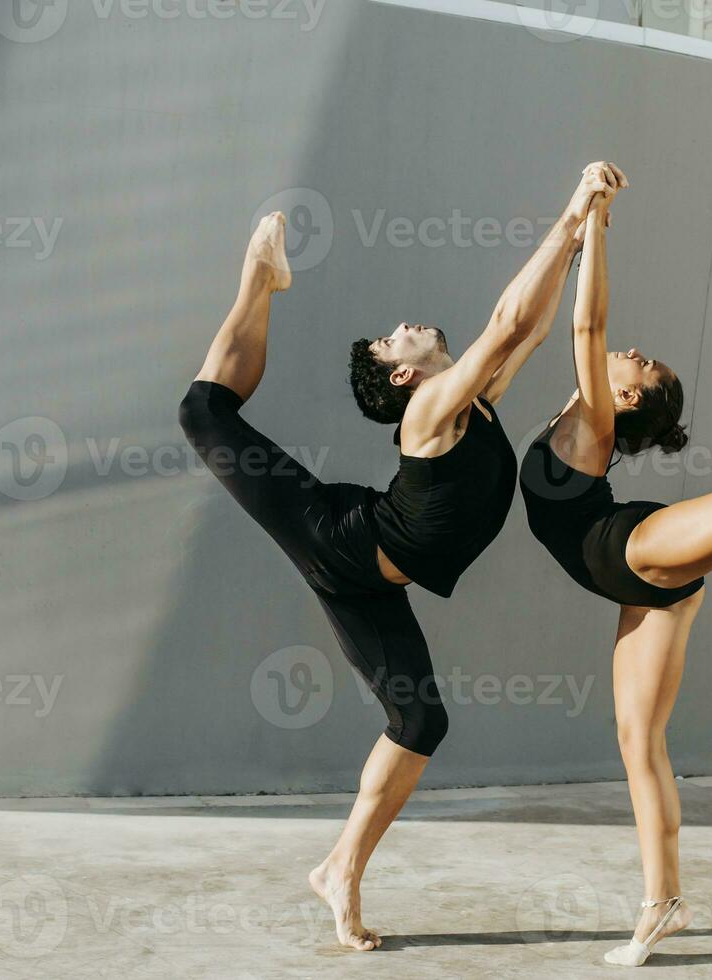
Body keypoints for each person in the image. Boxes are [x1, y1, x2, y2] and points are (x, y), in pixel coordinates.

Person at [178, 165, 610, 950]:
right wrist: (571, 207)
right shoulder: (429, 412)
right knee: (202, 410)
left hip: (370, 578)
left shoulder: (472, 400)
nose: (399, 328)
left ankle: (338, 870)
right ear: (406, 377)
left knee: (419, 720)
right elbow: (509, 322)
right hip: (332, 537)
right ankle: (259, 278)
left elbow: (533, 327)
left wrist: (580, 236)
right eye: (390, 342)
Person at [517, 167, 712, 967]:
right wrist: (572, 222)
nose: (639, 354)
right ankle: (664, 903)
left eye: (646, 372)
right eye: (646, 359)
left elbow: (587, 328)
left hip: (632, 550)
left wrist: (601, 224)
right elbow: (542, 323)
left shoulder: (594, 423)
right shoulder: (576, 412)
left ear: (629, 402)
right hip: (633, 586)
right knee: (637, 739)